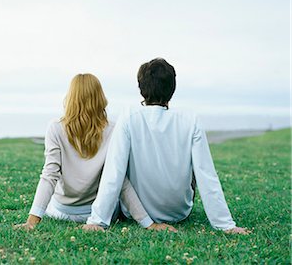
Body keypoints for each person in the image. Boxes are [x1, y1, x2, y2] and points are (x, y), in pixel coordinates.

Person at [83, 59, 249, 235]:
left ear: (141, 88)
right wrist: (226, 224)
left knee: (123, 164)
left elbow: (114, 172)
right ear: (172, 88)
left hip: (136, 214)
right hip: (178, 212)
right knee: (194, 166)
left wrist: (98, 221)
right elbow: (206, 174)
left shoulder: (128, 117)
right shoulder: (190, 119)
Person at [15, 73, 176, 232]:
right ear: (100, 98)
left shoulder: (55, 128)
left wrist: (31, 221)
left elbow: (49, 175)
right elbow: (121, 181)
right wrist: (149, 223)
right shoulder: (114, 130)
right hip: (100, 213)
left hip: (61, 212)